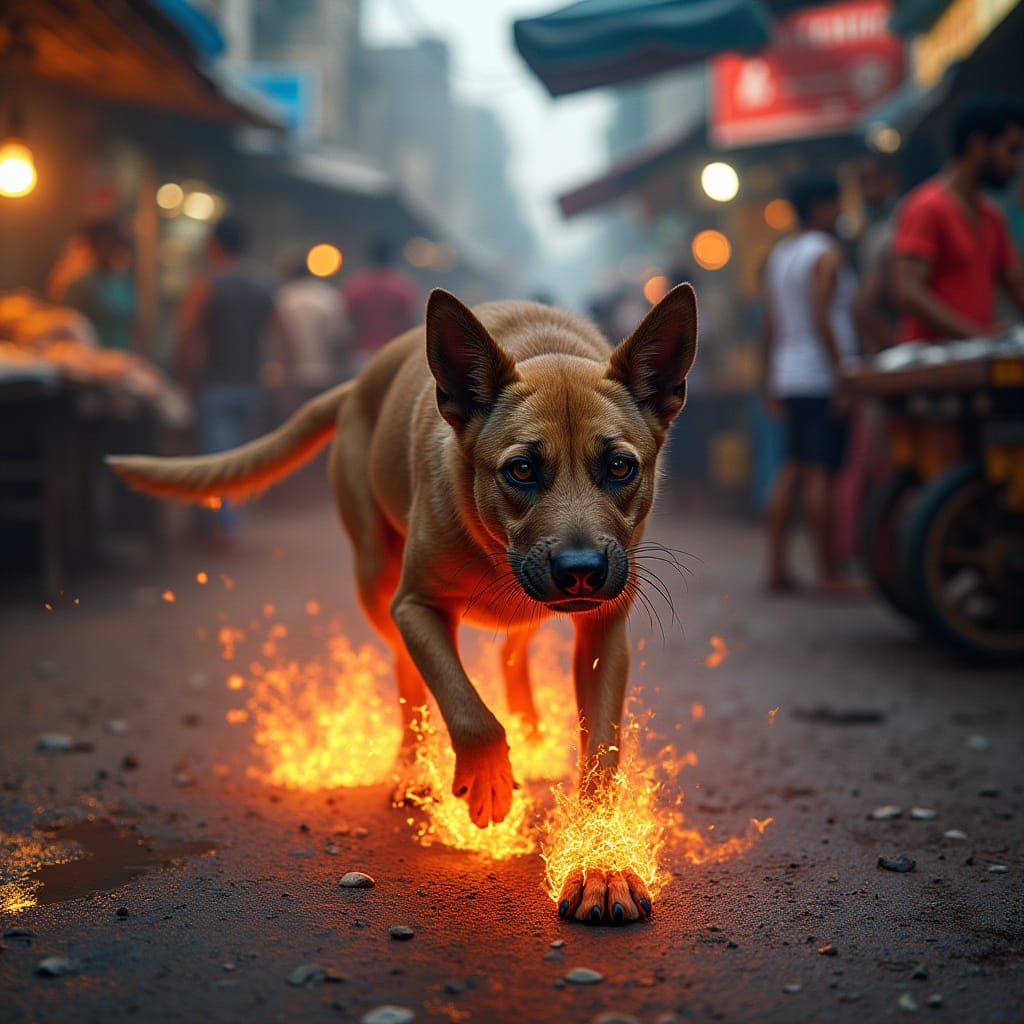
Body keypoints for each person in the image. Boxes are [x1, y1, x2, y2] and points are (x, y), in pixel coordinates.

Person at [760, 174, 860, 595]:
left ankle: (777, 567)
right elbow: (822, 315)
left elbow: (768, 325)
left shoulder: (780, 256)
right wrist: (842, 374)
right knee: (821, 473)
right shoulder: (825, 253)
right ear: (820, 206)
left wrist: (767, 378)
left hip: (790, 373)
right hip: (819, 375)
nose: (839, 212)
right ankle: (829, 572)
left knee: (791, 469)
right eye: (835, 204)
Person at [177, 216, 292, 549]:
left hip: (215, 383)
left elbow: (188, 332)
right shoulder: (265, 284)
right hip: (251, 384)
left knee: (218, 456)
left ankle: (223, 528)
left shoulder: (208, 283)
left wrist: (183, 377)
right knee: (238, 456)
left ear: (215, 243)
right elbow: (282, 334)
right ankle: (222, 523)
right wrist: (284, 376)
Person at [892, 92, 1024, 342]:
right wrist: (977, 337)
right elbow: (908, 291)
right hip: (936, 371)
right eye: (1011, 150)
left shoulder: (990, 215)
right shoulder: (927, 207)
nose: (1015, 163)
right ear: (978, 145)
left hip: (976, 365)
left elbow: (1016, 285)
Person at [276, 254, 351, 401]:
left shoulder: (284, 297)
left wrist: (285, 376)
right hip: (326, 372)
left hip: (295, 375)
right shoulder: (329, 296)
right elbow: (339, 338)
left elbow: (282, 340)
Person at [58, 218, 137, 350]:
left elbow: (133, 324)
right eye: (105, 244)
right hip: (93, 360)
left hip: (123, 356)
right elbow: (65, 327)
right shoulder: (79, 285)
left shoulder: (121, 280)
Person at [342, 239, 418, 365]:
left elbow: (347, 322)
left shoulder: (356, 286)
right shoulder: (401, 287)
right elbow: (409, 321)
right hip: (393, 351)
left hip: (362, 352)